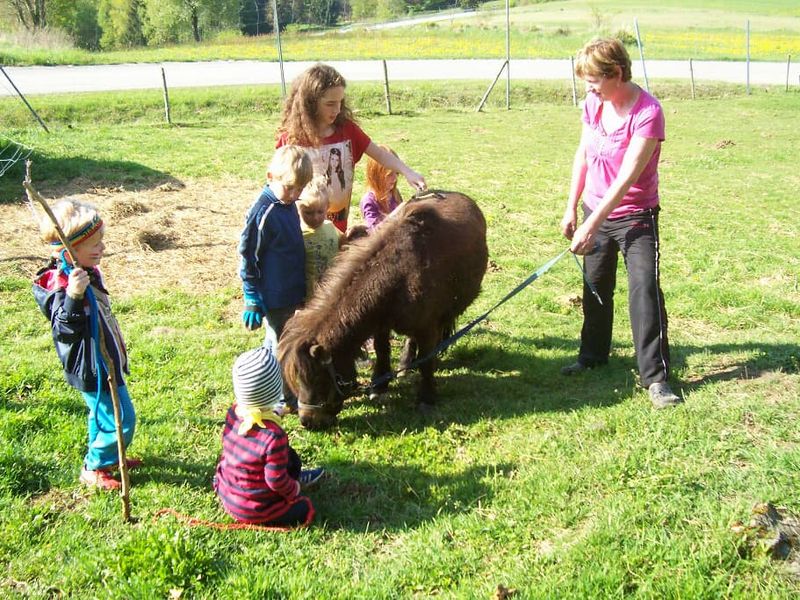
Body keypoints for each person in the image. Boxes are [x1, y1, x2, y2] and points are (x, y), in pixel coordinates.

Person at [559, 37, 682, 409]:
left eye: (594, 79)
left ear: (616, 73)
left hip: (635, 216)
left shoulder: (648, 112)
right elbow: (582, 154)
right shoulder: (593, 105)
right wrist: (571, 208)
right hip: (593, 209)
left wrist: (592, 224)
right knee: (595, 286)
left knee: (643, 288)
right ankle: (592, 356)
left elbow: (627, 176)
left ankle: (655, 378)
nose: (589, 88)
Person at [32, 199, 140, 490]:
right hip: (91, 365)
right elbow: (64, 329)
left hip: (104, 357)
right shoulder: (60, 284)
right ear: (69, 249)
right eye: (94, 243)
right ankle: (95, 466)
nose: (102, 247)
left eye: (101, 240)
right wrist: (73, 296)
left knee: (101, 414)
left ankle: (106, 457)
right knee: (122, 418)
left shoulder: (85, 270)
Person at [276, 62, 427, 233]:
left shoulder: (348, 131)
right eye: (330, 104)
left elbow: (380, 154)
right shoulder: (291, 138)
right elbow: (277, 183)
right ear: (311, 102)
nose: (337, 109)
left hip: (337, 230)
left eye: (340, 102)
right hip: (300, 230)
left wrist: (408, 172)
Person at [214, 346, 324, 527]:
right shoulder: (273, 437)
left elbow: (255, 422)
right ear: (276, 389)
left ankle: (227, 488)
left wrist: (274, 412)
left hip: (229, 494)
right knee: (303, 508)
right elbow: (275, 480)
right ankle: (297, 482)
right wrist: (293, 490)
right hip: (255, 509)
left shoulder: (234, 413)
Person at [239, 145, 313, 352]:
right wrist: (251, 296)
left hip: (293, 290)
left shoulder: (287, 205)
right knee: (279, 345)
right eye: (290, 187)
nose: (295, 194)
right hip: (275, 297)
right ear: (271, 176)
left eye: (300, 188)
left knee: (291, 340)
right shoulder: (263, 212)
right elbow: (248, 256)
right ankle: (273, 381)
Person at [296, 176, 343, 301]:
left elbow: (343, 244)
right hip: (310, 296)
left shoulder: (330, 226)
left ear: (328, 206)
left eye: (320, 212)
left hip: (333, 289)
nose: (315, 217)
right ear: (298, 208)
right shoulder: (298, 234)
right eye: (308, 213)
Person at [360, 144, 404, 232]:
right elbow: (373, 232)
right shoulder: (369, 200)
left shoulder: (394, 194)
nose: (395, 178)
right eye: (390, 174)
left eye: (397, 173)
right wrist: (396, 212)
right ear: (376, 175)